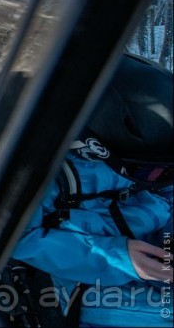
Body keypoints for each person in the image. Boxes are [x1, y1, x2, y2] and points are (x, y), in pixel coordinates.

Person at [11, 53, 173, 327]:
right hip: (82, 272)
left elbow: (168, 194)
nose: (155, 179)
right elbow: (17, 237)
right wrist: (117, 256)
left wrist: (168, 242)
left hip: (152, 252)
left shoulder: (153, 152)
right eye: (146, 173)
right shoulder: (46, 172)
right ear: (96, 146)